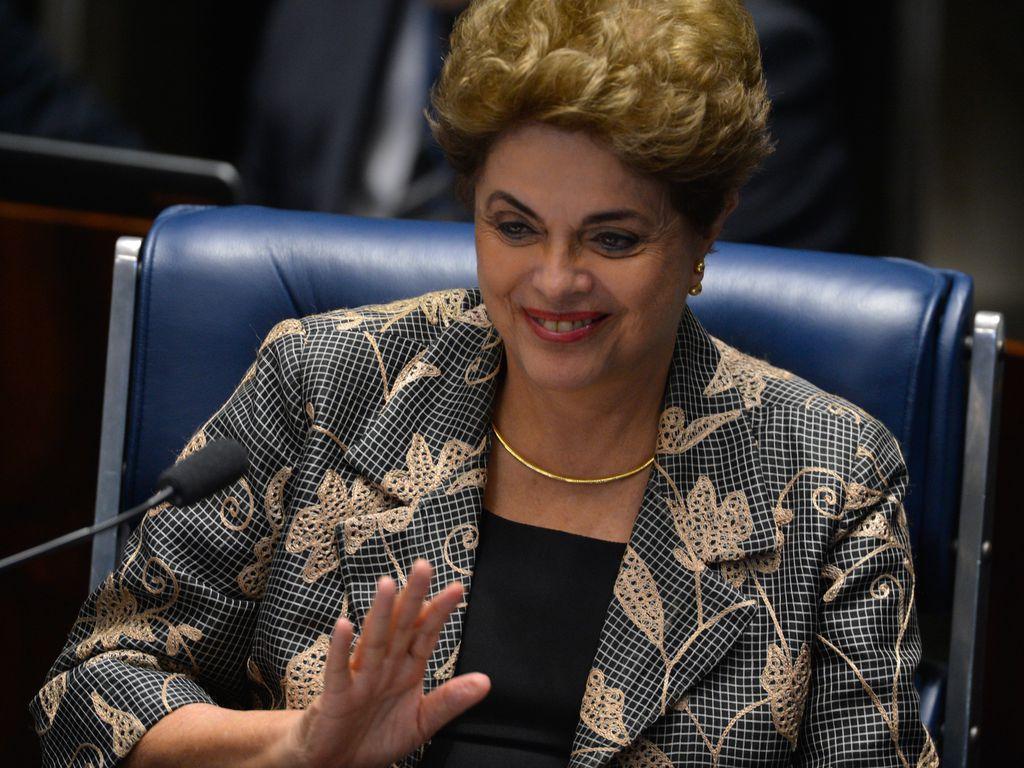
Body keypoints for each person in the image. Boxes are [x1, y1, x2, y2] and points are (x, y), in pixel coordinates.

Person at [33, 1, 937, 766]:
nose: (552, 281)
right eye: (513, 227)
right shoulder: (326, 385)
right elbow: (87, 693)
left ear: (706, 231)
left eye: (611, 238)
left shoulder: (829, 478)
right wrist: (293, 744)